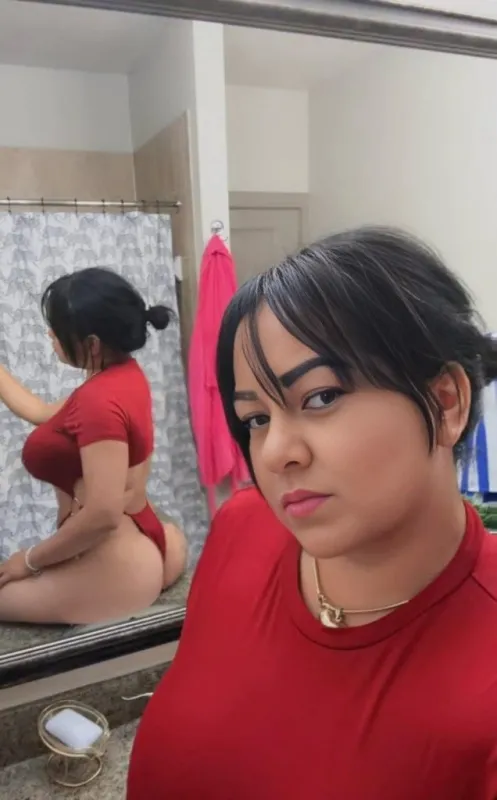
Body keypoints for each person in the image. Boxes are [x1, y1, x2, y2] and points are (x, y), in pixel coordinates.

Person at [127, 227, 497, 799]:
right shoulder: (243, 527)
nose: (276, 453)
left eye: (321, 397)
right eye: (257, 419)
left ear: (445, 402)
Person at [0, 267, 187, 625]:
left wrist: (29, 560)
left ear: (93, 344)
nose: (50, 335)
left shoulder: (98, 401)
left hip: (118, 565)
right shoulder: (121, 374)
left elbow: (102, 513)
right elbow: (42, 412)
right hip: (140, 537)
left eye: (56, 330)